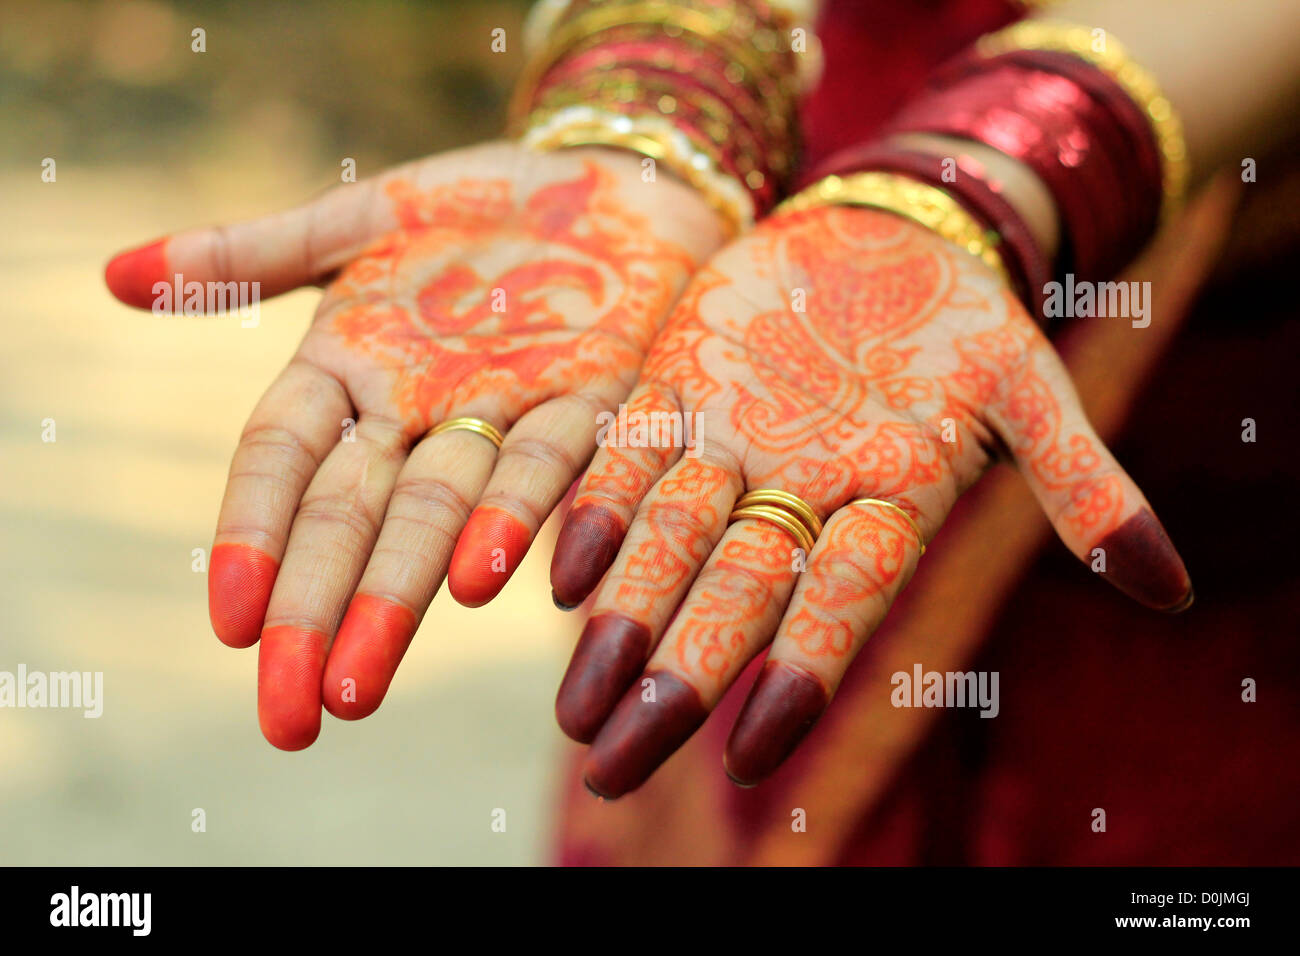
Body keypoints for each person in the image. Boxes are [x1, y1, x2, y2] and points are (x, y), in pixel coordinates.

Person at [104, 0, 1300, 864]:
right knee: (714, 625)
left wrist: (1013, 157)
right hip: (773, 303)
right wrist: (651, 111)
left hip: (1205, 387)